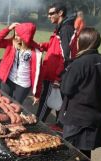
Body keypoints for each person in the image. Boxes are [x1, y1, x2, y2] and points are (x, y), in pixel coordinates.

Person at [59, 27, 101, 161]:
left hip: (77, 114)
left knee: (73, 144)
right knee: (85, 145)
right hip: (96, 113)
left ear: (82, 43)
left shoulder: (77, 64)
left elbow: (67, 89)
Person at [36, 2, 78, 131]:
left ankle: (37, 125)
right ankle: (60, 125)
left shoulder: (65, 30)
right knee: (59, 100)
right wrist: (42, 46)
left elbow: (67, 56)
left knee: (45, 101)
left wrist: (59, 77)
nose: (49, 16)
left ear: (60, 13)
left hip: (55, 75)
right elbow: (57, 47)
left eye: (51, 13)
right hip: (54, 73)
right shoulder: (62, 27)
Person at [0, 22, 42, 105]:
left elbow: (38, 75)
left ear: (26, 36)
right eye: (15, 34)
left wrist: (37, 94)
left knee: (15, 107)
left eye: (18, 35)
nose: (16, 37)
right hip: (8, 80)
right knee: (2, 102)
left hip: (23, 84)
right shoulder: (11, 43)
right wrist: (8, 29)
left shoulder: (35, 52)